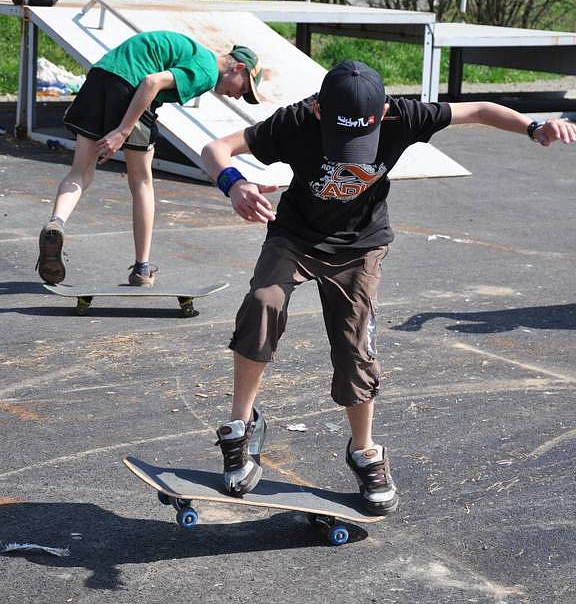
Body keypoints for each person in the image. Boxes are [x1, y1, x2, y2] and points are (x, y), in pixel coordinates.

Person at [201, 59, 576, 513]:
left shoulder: (404, 114)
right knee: (262, 303)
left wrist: (534, 126)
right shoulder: (295, 120)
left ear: (381, 115)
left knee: (354, 345)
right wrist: (234, 184)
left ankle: (364, 452)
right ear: (320, 111)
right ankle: (243, 426)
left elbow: (477, 109)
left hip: (361, 246)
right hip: (295, 236)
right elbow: (217, 147)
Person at [36, 31, 263, 286]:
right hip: (130, 87)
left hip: (100, 76)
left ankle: (56, 223)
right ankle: (142, 268)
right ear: (238, 67)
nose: (237, 95)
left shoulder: (194, 53)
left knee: (80, 171)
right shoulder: (208, 71)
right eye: (242, 87)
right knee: (142, 181)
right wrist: (122, 132)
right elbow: (151, 82)